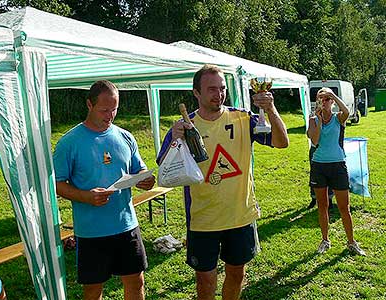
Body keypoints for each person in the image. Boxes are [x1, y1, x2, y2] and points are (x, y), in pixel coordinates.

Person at [157, 65, 289, 300]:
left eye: (222, 88)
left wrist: (270, 108)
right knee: (205, 281)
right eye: (211, 89)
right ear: (196, 92)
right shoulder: (185, 126)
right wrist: (175, 139)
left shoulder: (243, 118)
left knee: (236, 274)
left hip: (240, 215)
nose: (218, 94)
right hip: (203, 219)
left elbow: (281, 142)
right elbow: (164, 166)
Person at [53, 80, 155, 300]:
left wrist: (144, 179)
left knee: (136, 281)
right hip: (91, 231)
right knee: (93, 290)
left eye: (114, 109)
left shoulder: (125, 136)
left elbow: (139, 169)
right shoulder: (69, 142)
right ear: (89, 104)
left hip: (127, 225)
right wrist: (86, 197)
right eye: (104, 110)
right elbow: (57, 184)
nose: (110, 115)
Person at [307, 87, 366, 256]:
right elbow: (315, 140)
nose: (323, 102)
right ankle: (325, 240)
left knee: (344, 207)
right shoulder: (313, 119)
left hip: (338, 166)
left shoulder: (338, 118)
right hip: (319, 166)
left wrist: (332, 95)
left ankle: (351, 242)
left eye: (327, 99)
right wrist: (317, 120)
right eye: (321, 99)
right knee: (323, 206)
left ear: (332, 101)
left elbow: (347, 111)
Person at [307, 144, 334, 210]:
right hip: (316, 148)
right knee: (314, 175)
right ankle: (314, 198)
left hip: (330, 148)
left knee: (330, 173)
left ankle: (329, 199)